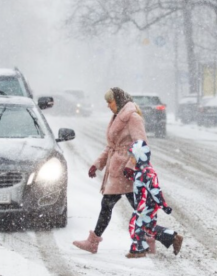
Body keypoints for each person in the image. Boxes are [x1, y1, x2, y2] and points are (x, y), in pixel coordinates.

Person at [72, 87, 183, 255]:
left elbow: (141, 143)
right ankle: (167, 237)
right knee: (134, 210)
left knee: (108, 206)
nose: (108, 106)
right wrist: (97, 164)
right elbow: (111, 147)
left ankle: (93, 242)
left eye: (110, 102)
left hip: (126, 172)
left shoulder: (132, 117)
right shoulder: (117, 116)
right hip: (119, 170)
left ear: (118, 100)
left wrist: (131, 167)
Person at [123, 140, 182, 258]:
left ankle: (139, 250)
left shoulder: (147, 172)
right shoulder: (141, 170)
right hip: (145, 205)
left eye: (133, 156)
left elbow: (155, 190)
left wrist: (164, 206)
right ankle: (173, 238)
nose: (131, 159)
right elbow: (141, 181)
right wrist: (131, 175)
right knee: (148, 227)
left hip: (147, 205)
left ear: (140, 156)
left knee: (135, 224)